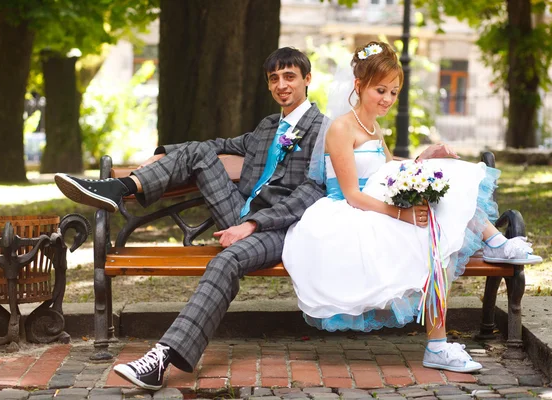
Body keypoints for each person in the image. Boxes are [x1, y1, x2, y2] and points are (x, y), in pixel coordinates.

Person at [54, 47, 326, 390]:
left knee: (225, 262)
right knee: (198, 150)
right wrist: (162, 158)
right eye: (274, 78)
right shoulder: (268, 126)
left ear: (307, 79)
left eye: (289, 77)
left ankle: (161, 359)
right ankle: (118, 187)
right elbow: (215, 144)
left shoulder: (323, 130)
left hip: (278, 228)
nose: (281, 85)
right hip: (238, 211)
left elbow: (311, 193)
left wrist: (253, 224)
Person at [282, 41, 543, 374]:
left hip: (377, 203)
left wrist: (424, 160)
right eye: (381, 90)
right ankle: (442, 335)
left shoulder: (372, 126)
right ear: (358, 85)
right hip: (353, 214)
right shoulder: (340, 128)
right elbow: (352, 195)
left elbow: (389, 165)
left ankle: (495, 249)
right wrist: (402, 213)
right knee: (434, 237)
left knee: (443, 196)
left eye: (394, 92)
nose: (388, 100)